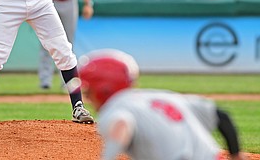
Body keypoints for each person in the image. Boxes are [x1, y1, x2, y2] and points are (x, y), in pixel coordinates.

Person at [77, 49, 247, 160]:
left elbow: (122, 124)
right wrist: (236, 154)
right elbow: (221, 116)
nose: (88, 98)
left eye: (88, 92)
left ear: (104, 88)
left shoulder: (115, 108)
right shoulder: (164, 96)